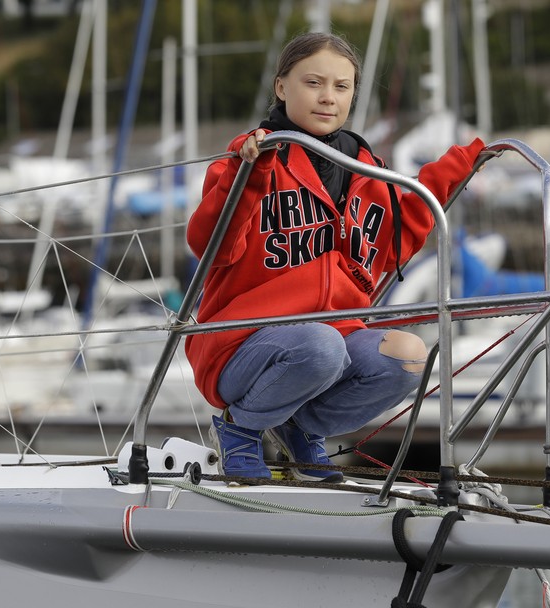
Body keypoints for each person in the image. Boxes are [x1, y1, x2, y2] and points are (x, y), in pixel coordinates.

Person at [186, 32, 485, 481]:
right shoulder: (249, 158)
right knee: (321, 346)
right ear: (282, 87)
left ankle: (300, 430)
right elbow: (210, 247)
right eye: (314, 83)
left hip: (331, 341)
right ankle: (240, 429)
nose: (328, 98)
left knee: (409, 355)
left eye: (341, 87)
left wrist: (456, 170)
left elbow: (392, 245)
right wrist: (250, 174)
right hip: (238, 345)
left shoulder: (367, 170)